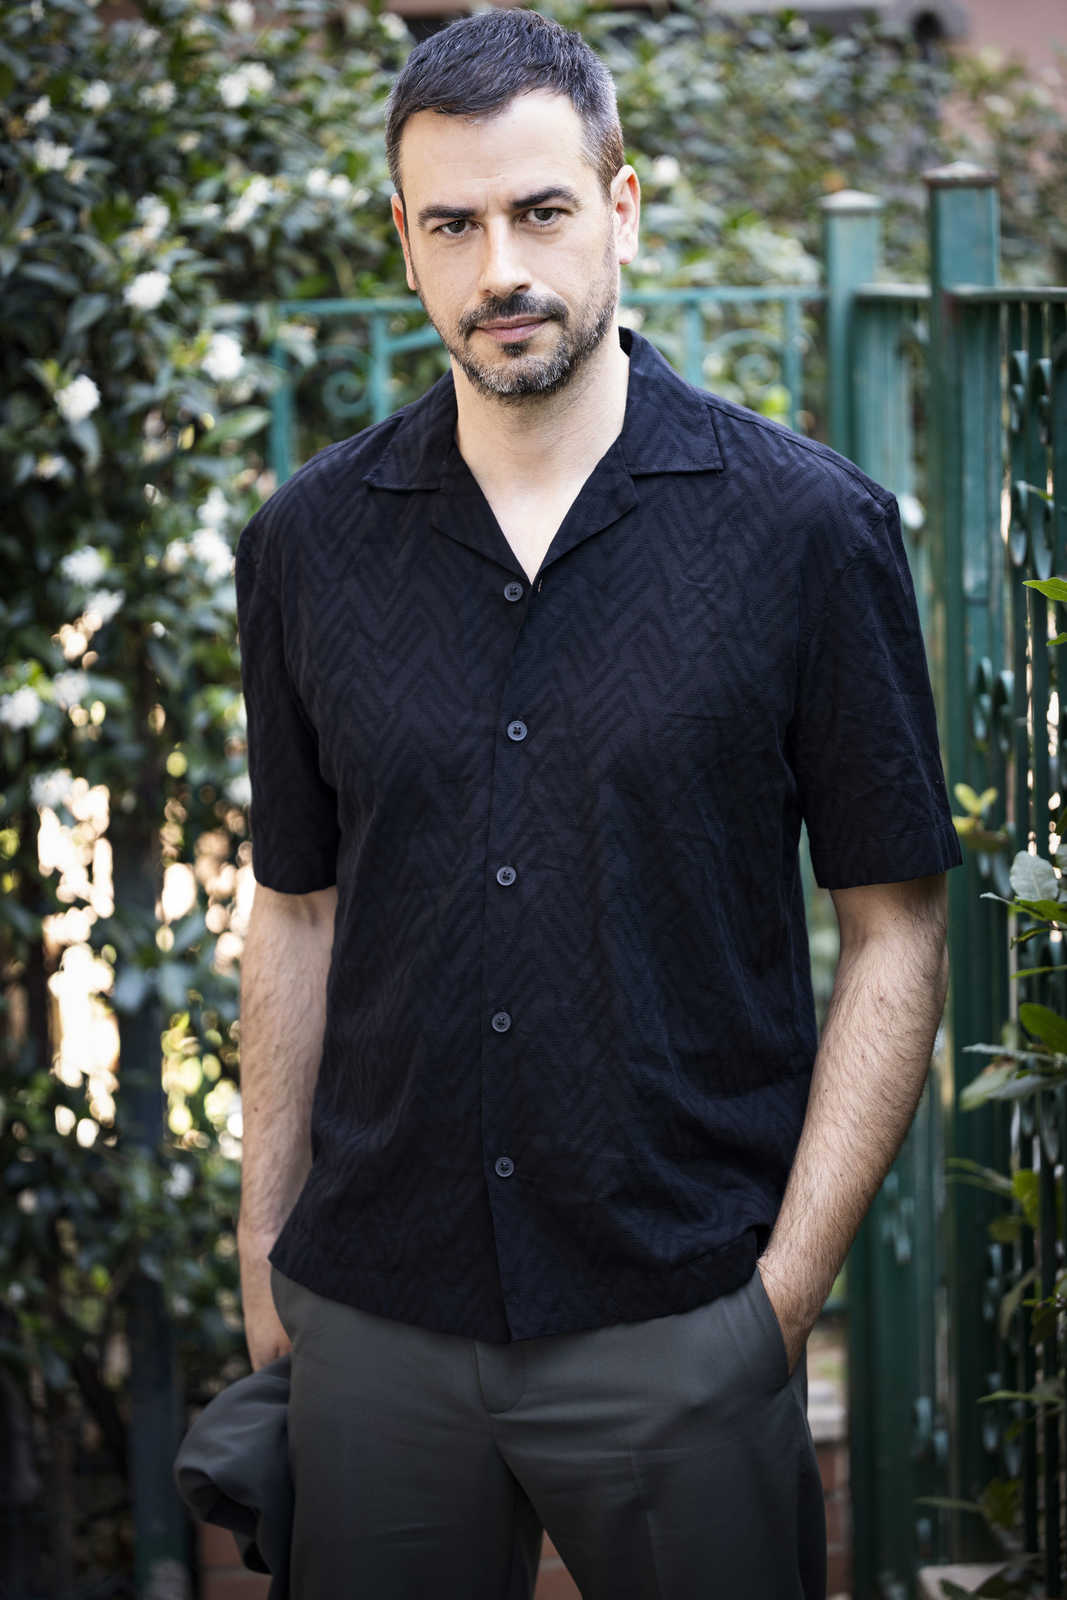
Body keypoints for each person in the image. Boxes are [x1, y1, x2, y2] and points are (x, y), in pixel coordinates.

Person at [233, 10, 961, 1596]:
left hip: (683, 1319)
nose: (501, 266)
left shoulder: (807, 531)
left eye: (542, 210)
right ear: (407, 243)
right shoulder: (308, 545)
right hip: (376, 1321)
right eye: (454, 225)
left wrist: (779, 1301)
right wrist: (263, 1256)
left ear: (621, 207)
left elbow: (898, 929)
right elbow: (296, 905)